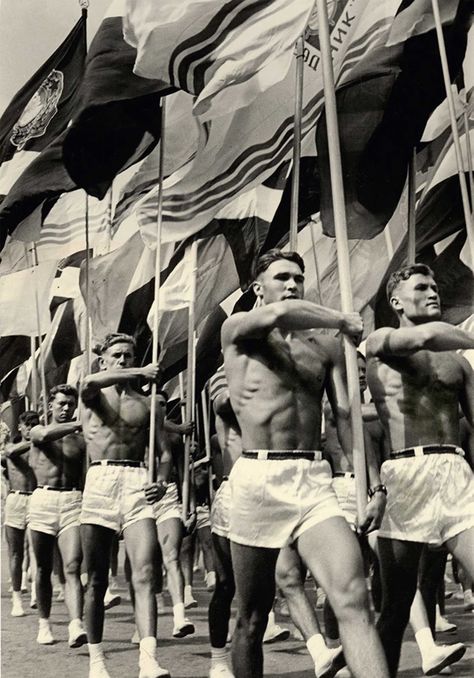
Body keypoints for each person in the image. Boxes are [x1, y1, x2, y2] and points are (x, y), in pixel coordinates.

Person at [221, 249, 389, 678]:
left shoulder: (325, 345)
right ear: (259, 287)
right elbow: (280, 313)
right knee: (252, 618)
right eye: (282, 277)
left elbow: (347, 420)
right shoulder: (238, 330)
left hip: (313, 479)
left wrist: (372, 486)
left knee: (353, 597)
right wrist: (342, 318)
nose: (293, 284)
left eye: (299, 277)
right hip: (257, 477)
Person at [366, 263, 474, 677]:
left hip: (454, 472)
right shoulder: (381, 341)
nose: (434, 292)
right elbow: (424, 336)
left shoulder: (459, 364)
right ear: (396, 301)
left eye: (435, 286)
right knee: (394, 607)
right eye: (422, 287)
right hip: (405, 474)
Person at [80, 333, 172, 678]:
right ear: (103, 359)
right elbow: (89, 381)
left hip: (136, 484)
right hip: (100, 483)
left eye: (129, 356)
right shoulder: (91, 394)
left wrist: (160, 482)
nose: (123, 361)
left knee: (147, 572)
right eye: (117, 356)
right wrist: (138, 374)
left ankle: (148, 660)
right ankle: (97, 660)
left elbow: (163, 454)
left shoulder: (147, 404)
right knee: (97, 581)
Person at [28, 385, 86, 648]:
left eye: (70, 404)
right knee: (42, 568)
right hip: (43, 500)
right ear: (49, 405)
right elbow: (45, 435)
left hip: (72, 501)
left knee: (73, 566)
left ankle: (76, 624)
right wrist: (78, 424)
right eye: (61, 404)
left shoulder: (81, 439)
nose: (66, 408)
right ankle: (44, 623)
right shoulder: (38, 430)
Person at [2, 410, 38, 618]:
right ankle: (17, 597)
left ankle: (35, 593)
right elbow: (10, 453)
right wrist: (36, 439)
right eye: (29, 424)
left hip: (36, 497)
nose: (32, 427)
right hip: (15, 500)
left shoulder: (42, 445)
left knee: (36, 549)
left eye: (36, 423)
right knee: (16, 553)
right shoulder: (11, 445)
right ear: (21, 427)